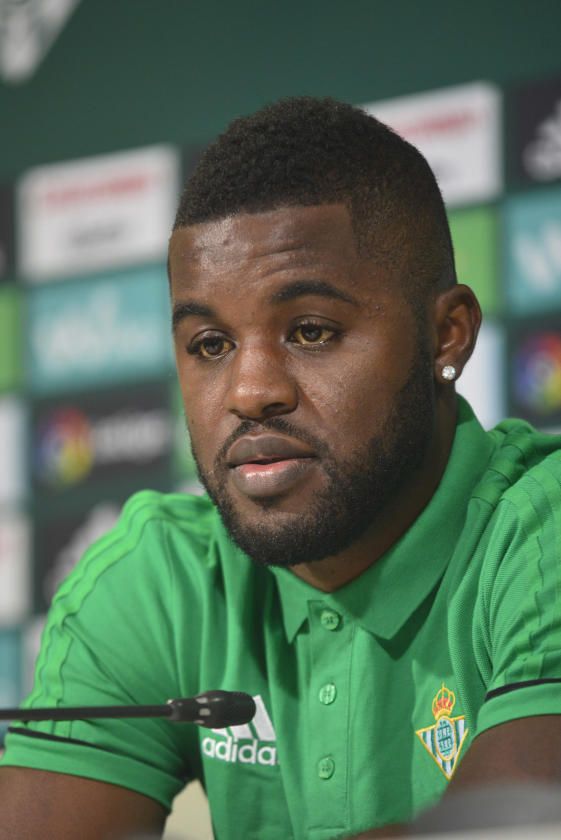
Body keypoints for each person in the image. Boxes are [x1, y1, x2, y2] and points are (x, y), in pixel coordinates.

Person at [1, 96, 561, 840]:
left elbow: (517, 827)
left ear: (445, 336)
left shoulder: (538, 535)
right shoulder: (162, 578)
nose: (250, 391)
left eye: (310, 331)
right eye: (209, 345)